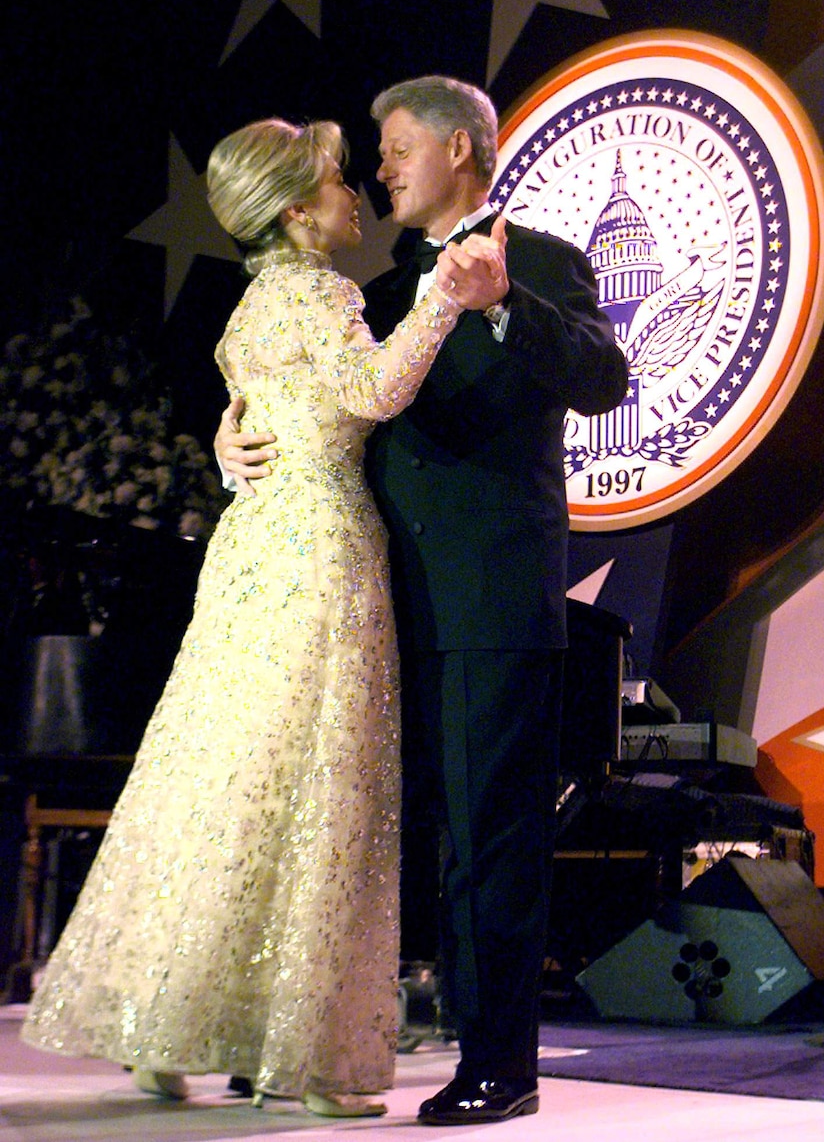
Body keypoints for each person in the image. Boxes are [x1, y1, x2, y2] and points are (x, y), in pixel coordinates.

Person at [20, 115, 473, 1118]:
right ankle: (314, 1059)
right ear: (301, 209)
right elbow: (379, 386)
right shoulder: (322, 291)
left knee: (224, 781)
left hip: (247, 551)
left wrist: (231, 458)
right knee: (321, 784)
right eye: (341, 181)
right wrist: (441, 298)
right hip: (318, 547)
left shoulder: (243, 313)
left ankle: (162, 1024)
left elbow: (277, 418)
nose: (357, 196)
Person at [216, 76, 629, 1126]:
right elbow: (324, 408)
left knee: (487, 838)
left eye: (396, 149)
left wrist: (501, 301)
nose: (380, 170)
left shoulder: (536, 262)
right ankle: (291, 1039)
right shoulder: (380, 283)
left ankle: (499, 1064)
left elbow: (603, 376)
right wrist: (230, 438)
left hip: (488, 602)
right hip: (371, 603)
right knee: (348, 831)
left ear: (455, 148)